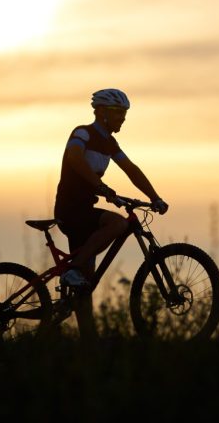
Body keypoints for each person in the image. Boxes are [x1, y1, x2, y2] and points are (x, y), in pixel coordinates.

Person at [53, 88, 168, 336]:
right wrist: (101, 187)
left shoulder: (110, 143)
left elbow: (131, 169)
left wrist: (154, 197)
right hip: (71, 209)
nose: (122, 118)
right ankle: (73, 270)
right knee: (118, 224)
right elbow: (74, 158)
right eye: (118, 112)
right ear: (101, 112)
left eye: (124, 113)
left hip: (85, 210)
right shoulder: (83, 132)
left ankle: (89, 343)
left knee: (85, 285)